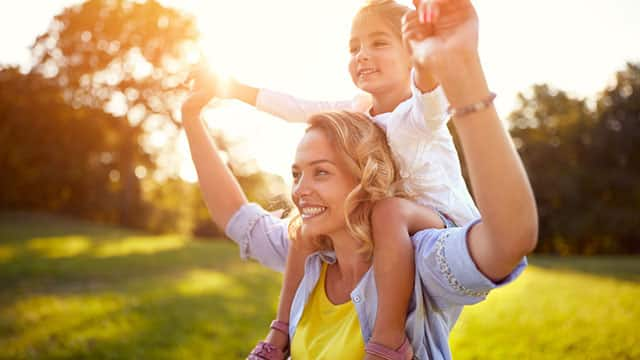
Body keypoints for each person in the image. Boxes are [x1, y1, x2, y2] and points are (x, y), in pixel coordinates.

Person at [181, 0, 538, 358]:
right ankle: (279, 336)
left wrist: (432, 57)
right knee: (303, 229)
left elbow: (429, 89)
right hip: (384, 220)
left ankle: (387, 339)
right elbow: (294, 109)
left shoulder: (417, 115)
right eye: (354, 48)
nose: (363, 55)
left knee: (387, 212)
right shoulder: (357, 111)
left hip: (443, 223)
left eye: (379, 43)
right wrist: (226, 92)